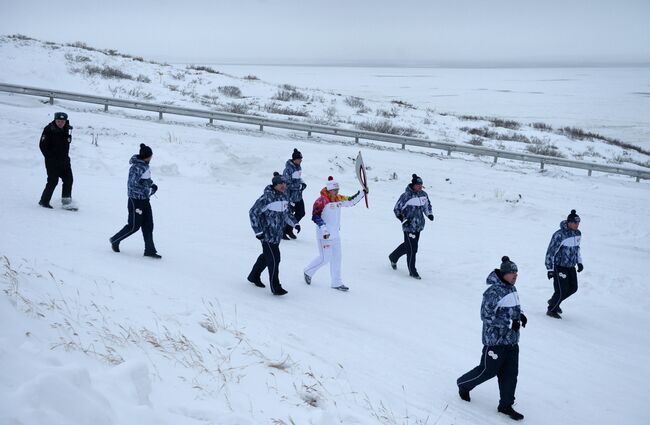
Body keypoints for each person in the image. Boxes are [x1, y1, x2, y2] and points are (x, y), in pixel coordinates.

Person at [457, 256, 527, 421]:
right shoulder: (493, 292)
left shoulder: (511, 288)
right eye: (512, 273)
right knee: (487, 370)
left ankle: (506, 405)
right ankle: (463, 384)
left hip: (511, 341)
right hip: (495, 342)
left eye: (516, 272)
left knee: (510, 374)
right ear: (503, 274)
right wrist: (510, 323)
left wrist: (521, 315)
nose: (515, 275)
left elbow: (513, 308)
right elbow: (485, 316)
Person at [303, 176, 366, 292]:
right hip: (325, 234)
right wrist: (323, 228)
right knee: (325, 258)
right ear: (329, 189)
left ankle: (336, 282)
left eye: (338, 189)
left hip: (335, 234)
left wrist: (362, 193)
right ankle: (308, 271)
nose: (337, 191)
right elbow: (315, 216)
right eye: (335, 190)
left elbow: (351, 201)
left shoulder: (338, 199)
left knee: (337, 258)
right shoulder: (321, 200)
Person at [248, 172, 299, 296]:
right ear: (275, 184)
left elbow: (286, 214)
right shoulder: (266, 198)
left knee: (266, 256)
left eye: (284, 183)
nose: (283, 185)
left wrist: (294, 224)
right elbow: (253, 212)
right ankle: (276, 287)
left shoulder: (284, 197)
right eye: (280, 183)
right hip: (266, 234)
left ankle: (253, 276)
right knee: (275, 259)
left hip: (277, 234)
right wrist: (258, 231)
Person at [109, 144, 161, 258]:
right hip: (136, 201)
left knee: (148, 225)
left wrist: (151, 186)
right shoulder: (136, 167)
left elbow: (144, 181)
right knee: (134, 226)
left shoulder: (145, 166)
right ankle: (115, 240)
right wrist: (149, 191)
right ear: (146, 156)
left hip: (145, 201)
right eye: (150, 156)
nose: (151, 158)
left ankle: (150, 250)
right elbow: (132, 186)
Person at [388, 174, 433, 279]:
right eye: (418, 185)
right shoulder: (406, 196)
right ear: (413, 185)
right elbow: (396, 209)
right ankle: (412, 271)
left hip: (419, 225)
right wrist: (404, 220)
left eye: (421, 185)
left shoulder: (424, 194)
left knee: (408, 246)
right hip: (408, 226)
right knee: (413, 249)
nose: (420, 187)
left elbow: (427, 206)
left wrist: (429, 214)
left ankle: (393, 257)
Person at [545, 209, 583, 319]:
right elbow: (550, 252)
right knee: (562, 290)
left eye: (578, 223)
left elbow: (577, 249)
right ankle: (551, 309)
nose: (577, 225)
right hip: (559, 266)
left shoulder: (578, 234)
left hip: (571, 266)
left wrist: (579, 262)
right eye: (575, 223)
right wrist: (550, 269)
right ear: (569, 222)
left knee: (573, 288)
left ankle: (554, 301)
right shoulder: (560, 235)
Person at [39, 112, 75, 209]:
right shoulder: (48, 130)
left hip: (64, 161)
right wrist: (50, 158)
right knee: (53, 181)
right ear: (55, 120)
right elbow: (42, 146)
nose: (60, 123)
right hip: (52, 162)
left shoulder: (67, 129)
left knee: (69, 180)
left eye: (62, 121)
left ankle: (66, 203)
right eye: (58, 121)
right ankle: (44, 201)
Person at [282, 148, 307, 240]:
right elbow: (286, 184)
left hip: (298, 196)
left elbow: (299, 179)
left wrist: (303, 183)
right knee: (288, 214)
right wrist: (299, 186)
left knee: (301, 212)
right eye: (300, 159)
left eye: (301, 159)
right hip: (290, 196)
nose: (301, 160)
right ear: (295, 159)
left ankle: (289, 229)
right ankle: (282, 231)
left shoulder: (298, 167)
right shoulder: (288, 169)